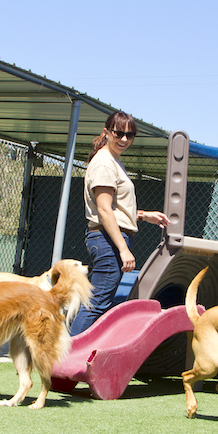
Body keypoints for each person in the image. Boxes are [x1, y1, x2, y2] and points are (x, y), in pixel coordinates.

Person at [69, 111, 169, 336]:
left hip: (110, 238)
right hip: (107, 241)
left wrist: (142, 215)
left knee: (99, 303)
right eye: (118, 133)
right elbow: (104, 210)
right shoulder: (104, 163)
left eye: (130, 135)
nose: (124, 139)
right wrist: (123, 250)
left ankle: (75, 359)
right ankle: (66, 362)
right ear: (107, 132)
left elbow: (114, 208)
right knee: (97, 304)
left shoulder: (113, 160)